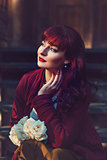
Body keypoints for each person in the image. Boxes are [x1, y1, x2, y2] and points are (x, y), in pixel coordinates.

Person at [9, 25, 106, 160]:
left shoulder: (78, 89)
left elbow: (62, 140)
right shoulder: (28, 81)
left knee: (57, 154)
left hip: (71, 153)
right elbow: (16, 123)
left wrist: (43, 99)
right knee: (28, 148)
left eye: (53, 49)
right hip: (36, 150)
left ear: (67, 58)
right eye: (43, 44)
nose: (42, 52)